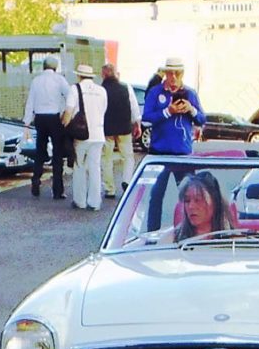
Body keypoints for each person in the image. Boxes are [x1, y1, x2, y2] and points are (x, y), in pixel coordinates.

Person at [141, 57, 207, 229]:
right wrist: (168, 111)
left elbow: (202, 119)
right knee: (155, 195)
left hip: (182, 153)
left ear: (182, 74)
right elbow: (146, 119)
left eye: (177, 73)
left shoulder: (190, 93)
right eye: (170, 73)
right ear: (165, 74)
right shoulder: (156, 92)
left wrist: (190, 110)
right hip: (159, 152)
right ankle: (151, 233)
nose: (173, 77)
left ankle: (190, 231)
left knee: (190, 195)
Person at [22, 56, 70, 199]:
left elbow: (30, 102)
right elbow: (69, 96)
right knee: (57, 153)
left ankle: (36, 180)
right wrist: (66, 113)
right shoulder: (60, 80)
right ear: (55, 67)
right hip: (55, 118)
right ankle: (57, 189)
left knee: (40, 151)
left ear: (43, 66)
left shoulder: (36, 81)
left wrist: (27, 122)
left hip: (40, 118)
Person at [62, 63, 108, 211]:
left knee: (79, 166)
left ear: (79, 75)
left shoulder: (75, 89)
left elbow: (68, 112)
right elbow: (103, 110)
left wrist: (64, 126)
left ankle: (79, 200)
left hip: (81, 135)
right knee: (95, 167)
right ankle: (95, 202)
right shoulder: (101, 91)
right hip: (98, 133)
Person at [99, 63, 141, 198]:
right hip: (124, 128)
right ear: (116, 74)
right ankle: (127, 180)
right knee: (128, 156)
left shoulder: (101, 90)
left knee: (106, 158)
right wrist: (137, 124)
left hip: (107, 129)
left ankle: (109, 188)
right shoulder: (126, 87)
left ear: (103, 74)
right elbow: (134, 107)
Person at [173, 171, 233, 241]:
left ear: (215, 202)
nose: (191, 206)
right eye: (187, 200)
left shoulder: (235, 241)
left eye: (198, 200)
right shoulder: (171, 240)